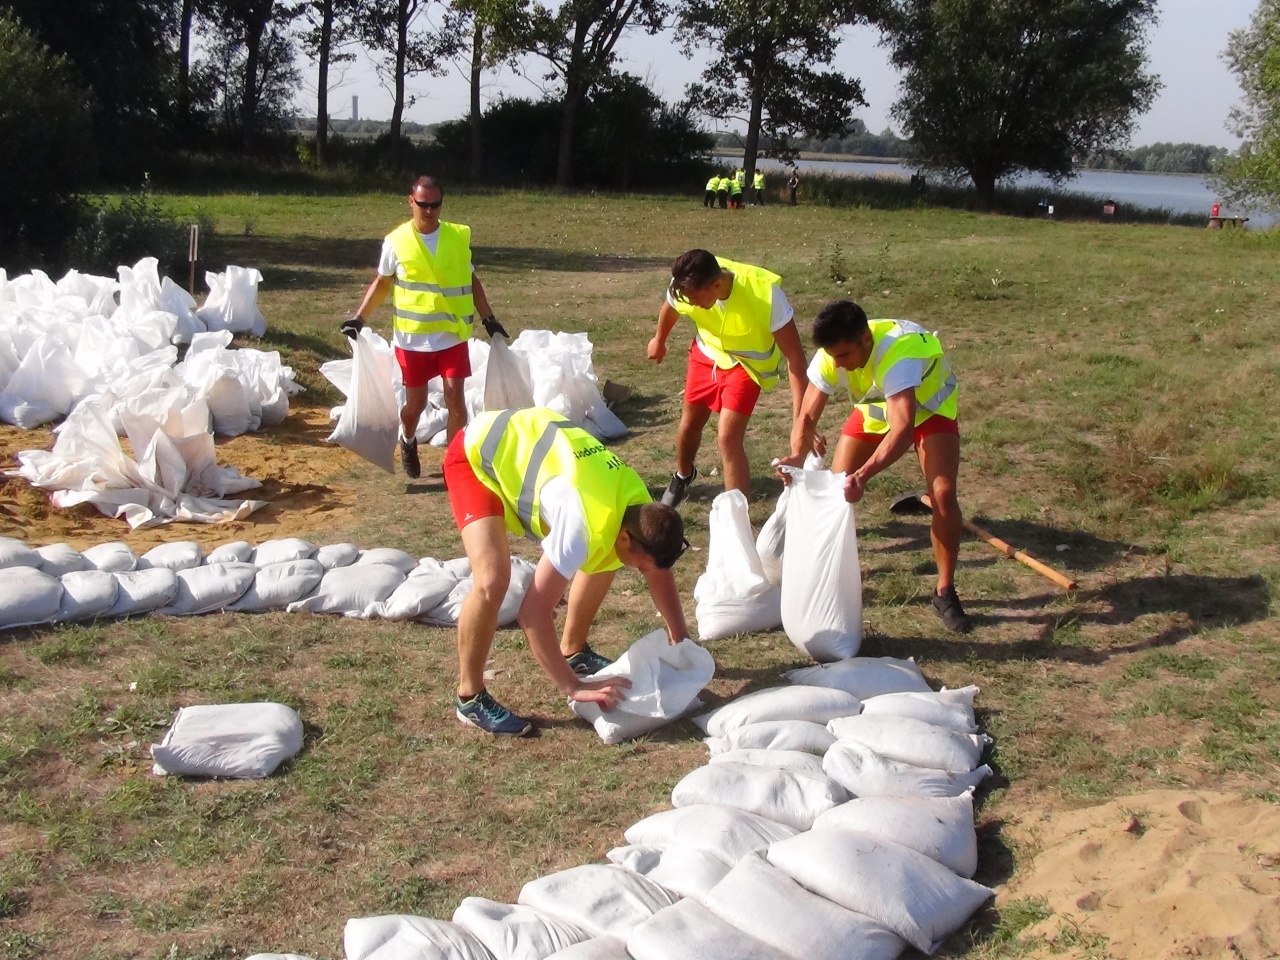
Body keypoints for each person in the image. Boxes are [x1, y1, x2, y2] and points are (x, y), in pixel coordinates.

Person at [443, 406, 693, 736]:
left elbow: (657, 570)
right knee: (492, 579)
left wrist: (680, 639)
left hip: (523, 442)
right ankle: (470, 696)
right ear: (625, 537)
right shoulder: (579, 527)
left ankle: (573, 650)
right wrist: (573, 688)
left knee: (609, 557)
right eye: (642, 568)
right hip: (474, 454)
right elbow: (532, 613)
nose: (643, 573)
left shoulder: (639, 506)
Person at [777, 300, 971, 633]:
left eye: (844, 357)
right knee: (834, 491)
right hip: (879, 410)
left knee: (943, 494)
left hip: (929, 410)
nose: (839, 365)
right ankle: (829, 580)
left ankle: (944, 591)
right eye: (834, 358)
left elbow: (903, 430)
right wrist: (796, 454)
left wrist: (862, 476)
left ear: (866, 339)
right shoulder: (832, 353)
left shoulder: (900, 356)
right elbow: (806, 415)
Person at [341, 175, 507, 480]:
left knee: (455, 397)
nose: (429, 211)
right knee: (414, 406)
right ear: (410, 202)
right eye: (423, 205)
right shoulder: (396, 243)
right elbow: (381, 283)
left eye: (435, 205)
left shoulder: (457, 237)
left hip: (452, 335)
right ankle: (408, 439)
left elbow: (471, 280)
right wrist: (359, 319)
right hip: (413, 341)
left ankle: (453, 464)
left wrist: (489, 318)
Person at [647, 249, 808, 506]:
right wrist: (659, 339)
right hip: (707, 354)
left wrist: (801, 420)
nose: (693, 304)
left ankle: (738, 518)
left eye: (697, 299)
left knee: (727, 438)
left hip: (746, 367)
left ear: (717, 284)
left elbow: (797, 362)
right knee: (689, 424)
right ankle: (683, 475)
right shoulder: (687, 283)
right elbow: (672, 306)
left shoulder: (766, 294)